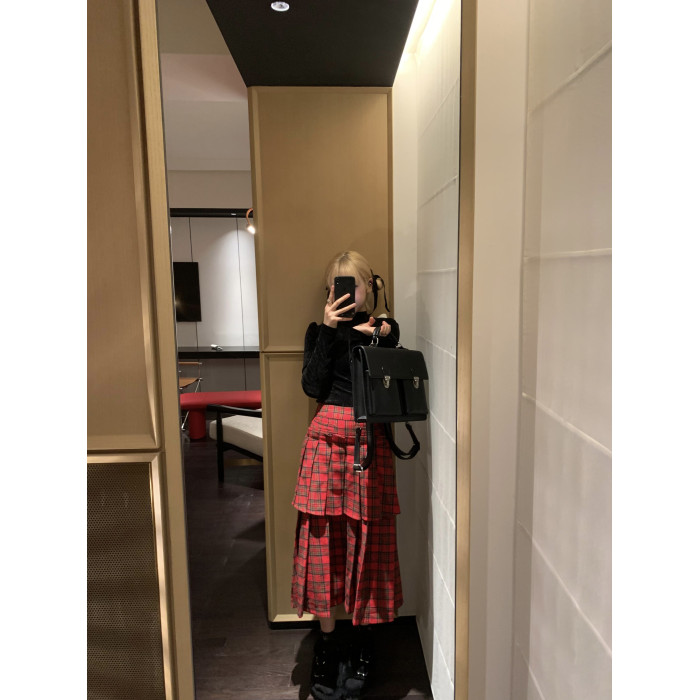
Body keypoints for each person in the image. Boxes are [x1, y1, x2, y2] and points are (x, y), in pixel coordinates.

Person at [291, 250, 403, 700]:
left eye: (352, 284)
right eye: (336, 285)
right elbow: (312, 386)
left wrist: (378, 330)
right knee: (322, 542)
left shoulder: (382, 331)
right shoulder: (319, 332)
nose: (344, 293)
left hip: (368, 445)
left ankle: (361, 643)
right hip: (324, 444)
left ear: (369, 287)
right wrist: (328, 331)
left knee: (367, 542)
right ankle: (327, 644)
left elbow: (390, 368)